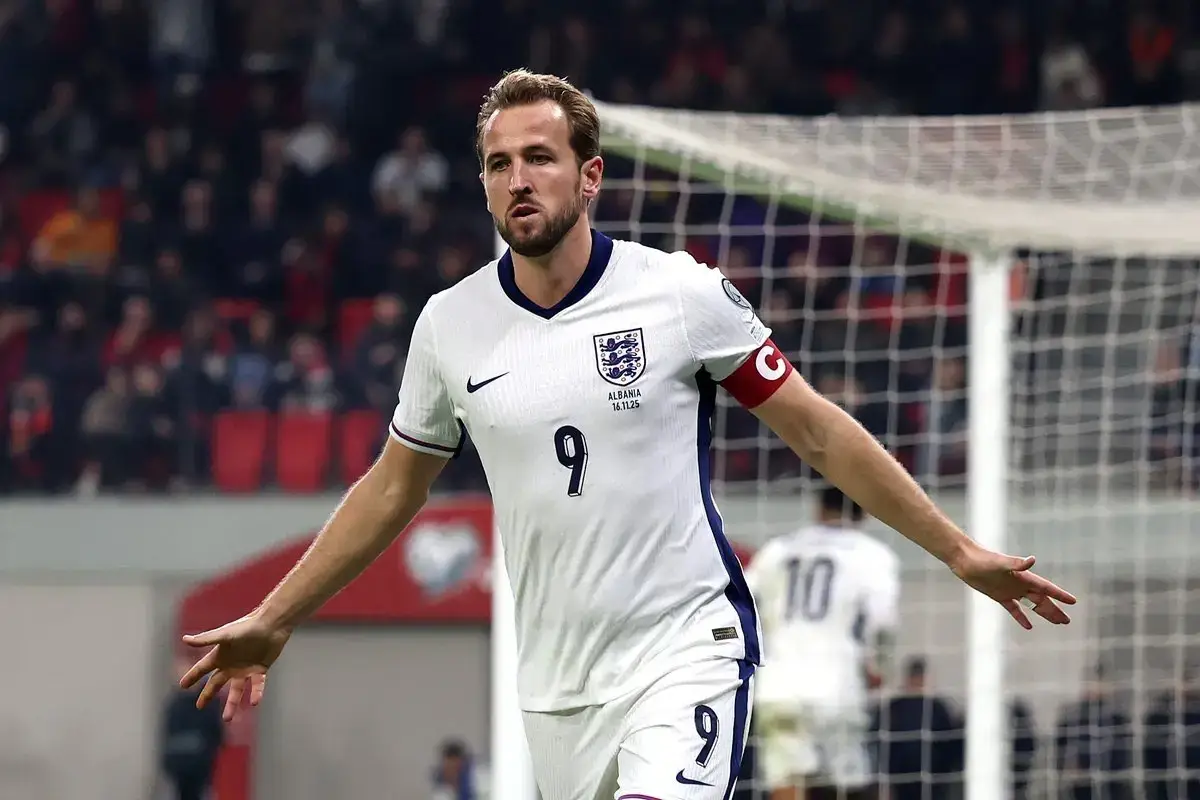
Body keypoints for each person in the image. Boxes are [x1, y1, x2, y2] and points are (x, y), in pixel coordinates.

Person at [179, 69, 1077, 800]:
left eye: (539, 157)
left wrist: (957, 551)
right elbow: (390, 488)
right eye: (499, 164)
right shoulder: (449, 327)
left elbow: (819, 434)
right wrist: (274, 617)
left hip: (686, 646)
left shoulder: (679, 296)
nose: (518, 179)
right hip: (557, 688)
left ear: (590, 175)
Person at [745, 485, 898, 800]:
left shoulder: (776, 551)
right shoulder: (871, 554)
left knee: (787, 782)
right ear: (864, 512)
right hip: (837, 687)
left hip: (780, 686)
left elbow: (740, 603)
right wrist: (878, 665)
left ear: (818, 508)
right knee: (847, 787)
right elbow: (882, 621)